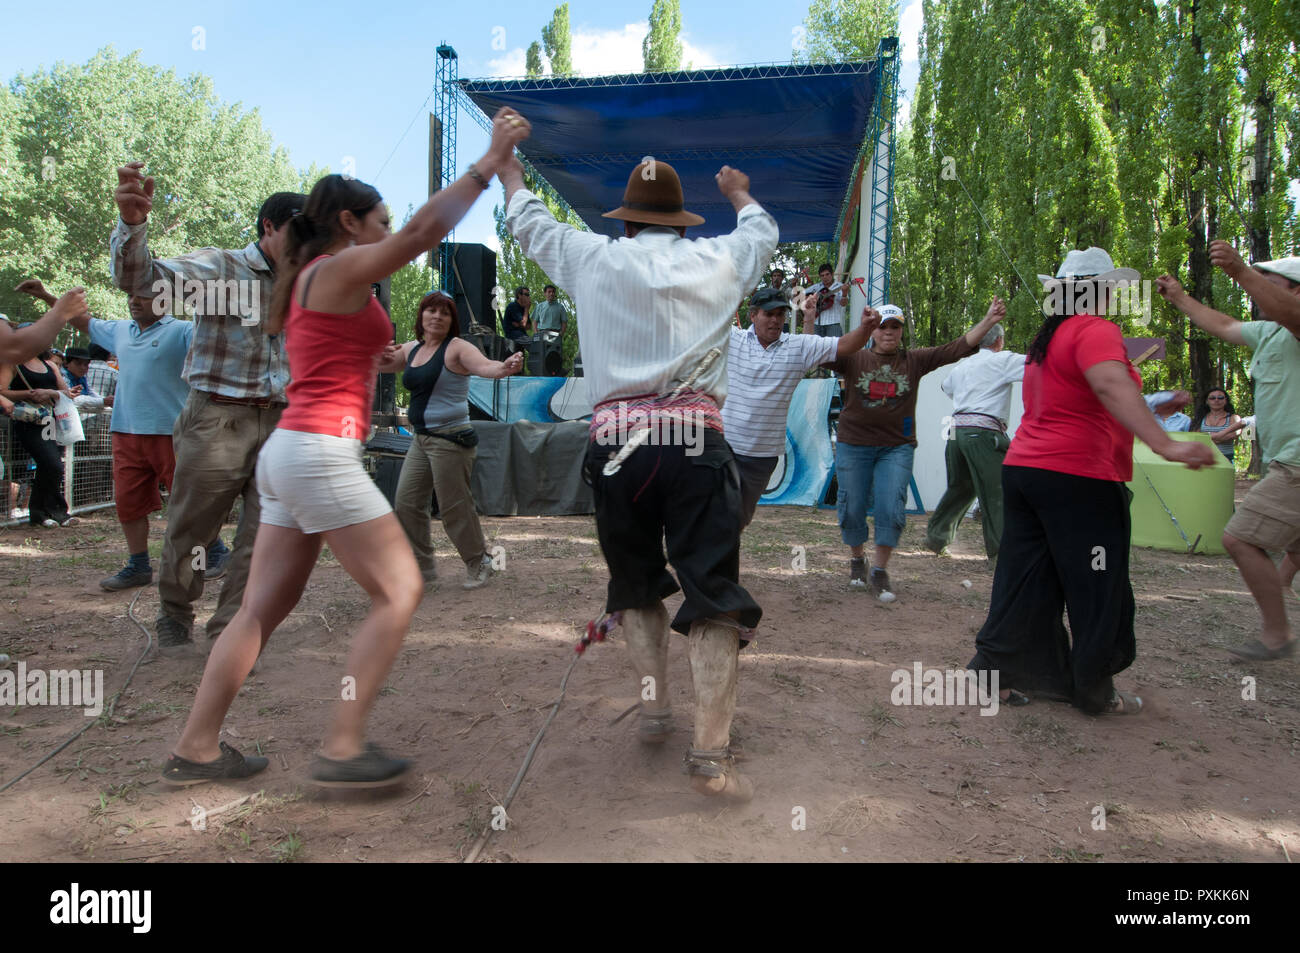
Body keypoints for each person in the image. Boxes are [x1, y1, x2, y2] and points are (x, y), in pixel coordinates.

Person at [162, 108, 531, 788]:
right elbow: (425, 231)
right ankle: (341, 743)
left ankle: (198, 745)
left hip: (290, 455)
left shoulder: (313, 280)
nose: (390, 231)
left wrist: (383, 359)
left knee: (257, 609)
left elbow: (340, 358)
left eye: (388, 223)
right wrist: (488, 161)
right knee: (400, 588)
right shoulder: (338, 268)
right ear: (350, 223)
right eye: (380, 220)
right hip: (318, 454)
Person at [507, 156, 776, 802]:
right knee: (711, 591)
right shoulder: (720, 258)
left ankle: (656, 709)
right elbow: (763, 231)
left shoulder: (592, 257)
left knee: (635, 584)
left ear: (626, 222)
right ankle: (710, 756)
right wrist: (740, 194)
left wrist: (510, 175)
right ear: (681, 224)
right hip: (694, 442)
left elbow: (528, 223)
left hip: (617, 444)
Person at [969, 248, 1215, 716]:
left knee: (1026, 578)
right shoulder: (1095, 329)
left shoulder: (1053, 335)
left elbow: (1089, 397)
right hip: (1079, 477)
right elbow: (1108, 385)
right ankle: (1093, 688)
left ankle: (994, 670)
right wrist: (1168, 445)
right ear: (1097, 290)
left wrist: (1153, 409)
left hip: (1028, 472)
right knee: (1097, 583)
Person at [111, 161, 306, 653]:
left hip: (280, 422)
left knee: (264, 536)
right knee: (194, 530)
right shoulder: (221, 267)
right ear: (269, 227)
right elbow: (144, 284)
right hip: (217, 417)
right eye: (299, 231)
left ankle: (232, 632)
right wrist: (133, 226)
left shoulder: (308, 283)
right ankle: (175, 613)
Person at [1157, 246, 1300, 661]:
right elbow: (1221, 324)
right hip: (1286, 462)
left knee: (1239, 538)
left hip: (1296, 465)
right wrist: (1181, 299)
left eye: (1270, 286)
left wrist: (1239, 270)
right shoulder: (1270, 332)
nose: (1259, 294)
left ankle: (1276, 635)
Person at [829, 299, 1006, 601]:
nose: (889, 332)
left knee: (891, 505)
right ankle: (858, 560)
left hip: (896, 447)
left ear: (901, 332)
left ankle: (880, 571)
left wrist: (989, 320)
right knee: (852, 504)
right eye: (883, 327)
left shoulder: (914, 360)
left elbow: (958, 347)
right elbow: (815, 353)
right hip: (853, 444)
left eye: (895, 327)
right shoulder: (853, 358)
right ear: (873, 331)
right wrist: (808, 318)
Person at [59, 288, 204, 591]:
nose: (134, 301)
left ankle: (210, 554)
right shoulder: (120, 330)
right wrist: (48, 296)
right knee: (128, 503)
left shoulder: (183, 330)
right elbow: (83, 321)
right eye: (131, 296)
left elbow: (219, 337)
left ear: (164, 299)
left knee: (190, 502)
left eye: (143, 296)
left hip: (171, 431)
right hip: (125, 430)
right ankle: (138, 565)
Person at [387, 290, 523, 589]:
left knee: (453, 508)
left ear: (452, 320)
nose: (437, 316)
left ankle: (479, 562)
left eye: (445, 312)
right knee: (406, 503)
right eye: (431, 310)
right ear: (421, 315)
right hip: (421, 440)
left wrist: (505, 367)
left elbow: (486, 366)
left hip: (450, 440)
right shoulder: (412, 349)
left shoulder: (457, 348)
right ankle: (422, 570)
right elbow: (383, 363)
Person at [722, 287, 877, 527]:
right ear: (753, 315)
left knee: (736, 522)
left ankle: (718, 557)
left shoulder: (799, 347)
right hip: (723, 449)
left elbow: (846, 345)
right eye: (768, 314)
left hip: (761, 458)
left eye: (780, 314)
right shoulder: (732, 338)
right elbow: (703, 321)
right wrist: (738, 290)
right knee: (713, 516)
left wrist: (867, 327)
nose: (775, 320)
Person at [924, 321, 1026, 563]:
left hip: (955, 432)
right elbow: (1039, 365)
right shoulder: (1004, 360)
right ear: (999, 341)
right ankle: (1002, 553)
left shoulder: (963, 366)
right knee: (997, 491)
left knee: (961, 487)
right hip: (983, 433)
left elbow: (945, 386)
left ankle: (937, 538)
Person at [0, 325, 82, 527]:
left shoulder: (50, 365)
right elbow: (2, 390)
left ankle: (44, 513)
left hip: (49, 420)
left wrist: (55, 393)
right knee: (50, 464)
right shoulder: (13, 363)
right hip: (26, 421)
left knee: (52, 465)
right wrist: (28, 394)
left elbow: (64, 392)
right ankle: (50, 511)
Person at [1190, 387, 1244, 462]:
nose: (1216, 400)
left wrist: (1207, 437)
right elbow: (1195, 438)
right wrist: (1220, 436)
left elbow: (1234, 434)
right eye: (1212, 398)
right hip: (1202, 459)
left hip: (1226, 458)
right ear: (1207, 401)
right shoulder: (1200, 419)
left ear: (1226, 401)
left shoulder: (1234, 418)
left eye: (1220, 397)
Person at [805, 263, 850, 337]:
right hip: (816, 323)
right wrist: (809, 302)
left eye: (827, 274)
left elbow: (843, 304)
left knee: (834, 347)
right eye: (822, 275)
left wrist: (844, 293)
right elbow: (802, 295)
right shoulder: (816, 287)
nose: (825, 277)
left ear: (832, 274)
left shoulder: (840, 286)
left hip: (833, 323)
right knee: (816, 347)